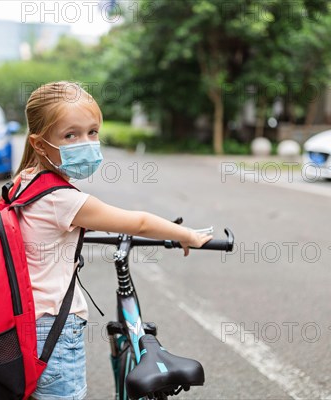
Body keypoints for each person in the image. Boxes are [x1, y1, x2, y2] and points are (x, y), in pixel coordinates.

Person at [14, 81, 212, 400]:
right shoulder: (60, 199)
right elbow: (140, 222)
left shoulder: (24, 182)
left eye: (93, 132)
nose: (87, 143)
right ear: (39, 144)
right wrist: (188, 235)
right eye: (71, 135)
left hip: (27, 322)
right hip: (53, 330)